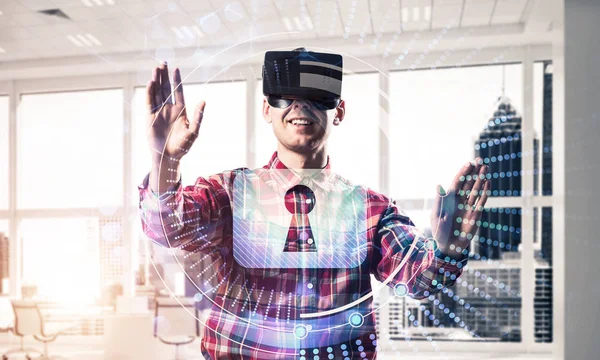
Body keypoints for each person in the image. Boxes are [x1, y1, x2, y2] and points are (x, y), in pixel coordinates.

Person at [138, 48, 490, 359]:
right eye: (284, 97)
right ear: (266, 108)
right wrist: (164, 161)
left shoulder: (371, 210)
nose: (299, 106)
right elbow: (166, 226)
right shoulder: (230, 193)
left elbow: (419, 281)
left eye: (315, 97)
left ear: (338, 111)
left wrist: (448, 246)